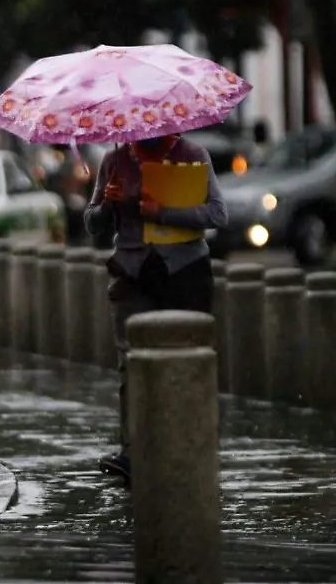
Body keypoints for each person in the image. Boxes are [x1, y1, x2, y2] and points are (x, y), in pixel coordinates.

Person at [83, 133, 228, 485]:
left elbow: (218, 214)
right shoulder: (113, 160)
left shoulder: (193, 154)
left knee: (187, 363)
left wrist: (163, 212)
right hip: (132, 273)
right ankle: (133, 451)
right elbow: (92, 224)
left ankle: (189, 445)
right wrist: (106, 204)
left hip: (185, 273)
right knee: (130, 364)